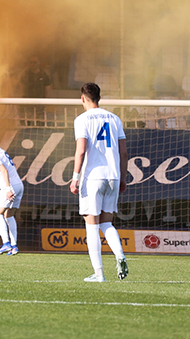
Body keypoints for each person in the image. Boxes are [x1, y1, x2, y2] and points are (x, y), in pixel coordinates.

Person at [69, 82, 128, 282]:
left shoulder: (81, 119)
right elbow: (123, 152)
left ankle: (99, 273)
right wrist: (123, 177)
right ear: (99, 97)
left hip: (93, 176)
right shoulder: (115, 118)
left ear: (83, 98)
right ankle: (120, 255)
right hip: (113, 175)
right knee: (107, 223)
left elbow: (81, 150)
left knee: (91, 224)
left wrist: (75, 177)